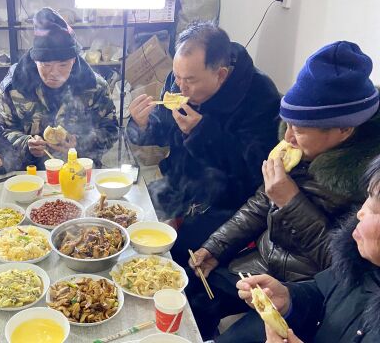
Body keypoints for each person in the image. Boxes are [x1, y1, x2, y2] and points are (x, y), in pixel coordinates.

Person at [187, 41, 380, 342]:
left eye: (300, 129)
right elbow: (260, 202)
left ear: (345, 130)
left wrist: (290, 201)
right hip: (262, 267)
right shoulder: (299, 150)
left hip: (307, 288)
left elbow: (341, 264)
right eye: (287, 123)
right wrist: (214, 247)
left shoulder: (367, 181)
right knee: (190, 287)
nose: (288, 136)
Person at [126, 21, 280, 266]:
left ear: (220, 74)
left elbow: (253, 171)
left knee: (177, 266)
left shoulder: (259, 94)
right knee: (130, 229)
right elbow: (163, 128)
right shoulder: (179, 79)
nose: (180, 87)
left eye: (190, 80)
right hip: (176, 187)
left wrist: (201, 133)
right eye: (176, 77)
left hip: (221, 205)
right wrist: (141, 125)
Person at [237, 154, 380, 343]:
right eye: (368, 196)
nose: (360, 212)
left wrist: (290, 203)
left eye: (377, 209)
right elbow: (324, 294)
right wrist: (289, 299)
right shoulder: (363, 262)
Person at [0, 7, 118, 168]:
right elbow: (0, 131)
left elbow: (111, 130)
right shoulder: (14, 86)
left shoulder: (94, 86)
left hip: (80, 168)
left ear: (74, 60)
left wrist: (80, 143)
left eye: (63, 65)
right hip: (31, 172)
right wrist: (26, 144)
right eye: (46, 65)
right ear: (35, 60)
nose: (54, 73)